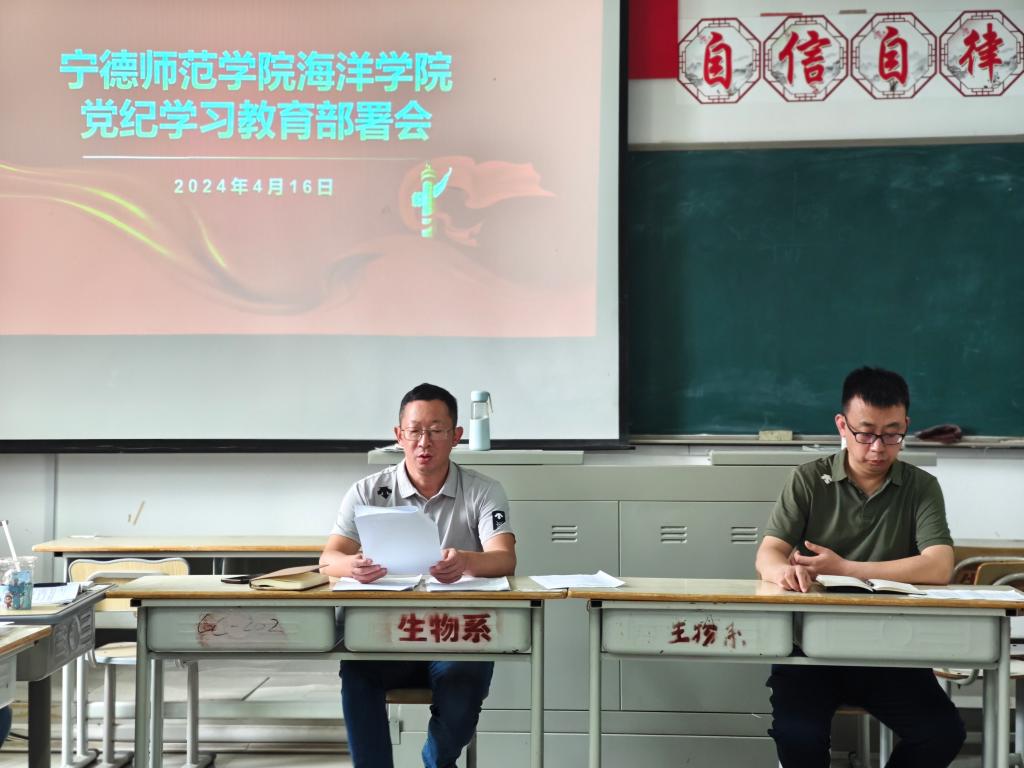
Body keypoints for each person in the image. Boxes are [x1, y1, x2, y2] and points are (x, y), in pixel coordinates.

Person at [754, 366, 965, 767]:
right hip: (810, 652)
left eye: (892, 434)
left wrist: (845, 568)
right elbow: (768, 554)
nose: (878, 448)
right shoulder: (808, 480)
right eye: (865, 433)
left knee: (942, 733)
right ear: (842, 425)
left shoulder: (921, 487)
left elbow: (939, 566)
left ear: (906, 427)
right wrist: (782, 571)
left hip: (891, 652)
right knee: (798, 738)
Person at [320, 382, 516, 768]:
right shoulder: (367, 491)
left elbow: (505, 559)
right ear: (399, 435)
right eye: (414, 431)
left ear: (456, 436)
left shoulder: (484, 491)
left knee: (467, 671)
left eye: (436, 430)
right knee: (357, 670)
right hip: (387, 635)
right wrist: (351, 566)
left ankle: (436, 763)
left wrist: (466, 561)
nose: (424, 442)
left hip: (455, 636)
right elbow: (328, 560)